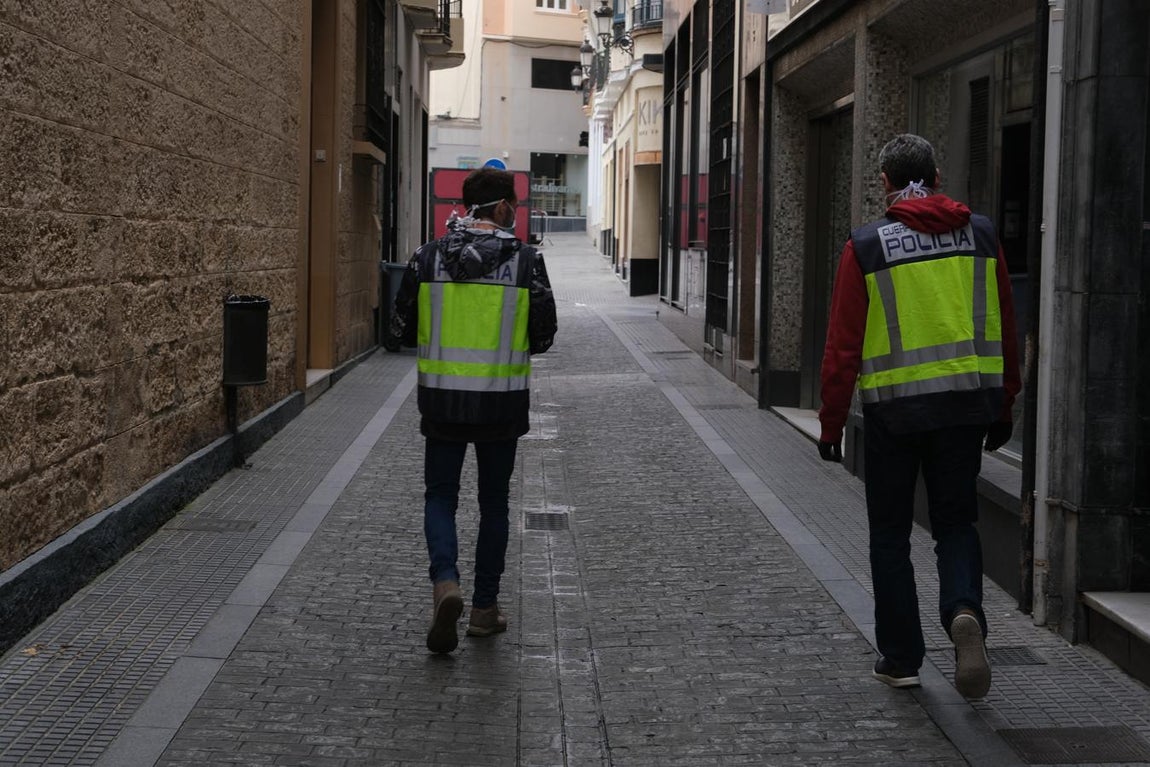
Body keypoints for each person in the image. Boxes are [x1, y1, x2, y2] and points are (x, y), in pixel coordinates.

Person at [817, 134, 1020, 699]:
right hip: (963, 410)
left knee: (890, 535)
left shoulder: (867, 247)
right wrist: (1005, 402)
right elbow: (1006, 323)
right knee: (956, 524)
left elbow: (841, 348)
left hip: (894, 417)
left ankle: (902, 657)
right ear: (936, 173)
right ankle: (963, 611)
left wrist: (831, 425)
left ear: (885, 183)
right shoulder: (979, 235)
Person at [385, 167, 557, 654]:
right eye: (515, 205)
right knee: (493, 504)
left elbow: (398, 329)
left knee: (440, 496)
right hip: (500, 405)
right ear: (502, 208)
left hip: (442, 401)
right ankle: (484, 609)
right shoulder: (527, 263)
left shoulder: (426, 258)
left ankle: (445, 583)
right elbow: (543, 337)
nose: (517, 213)